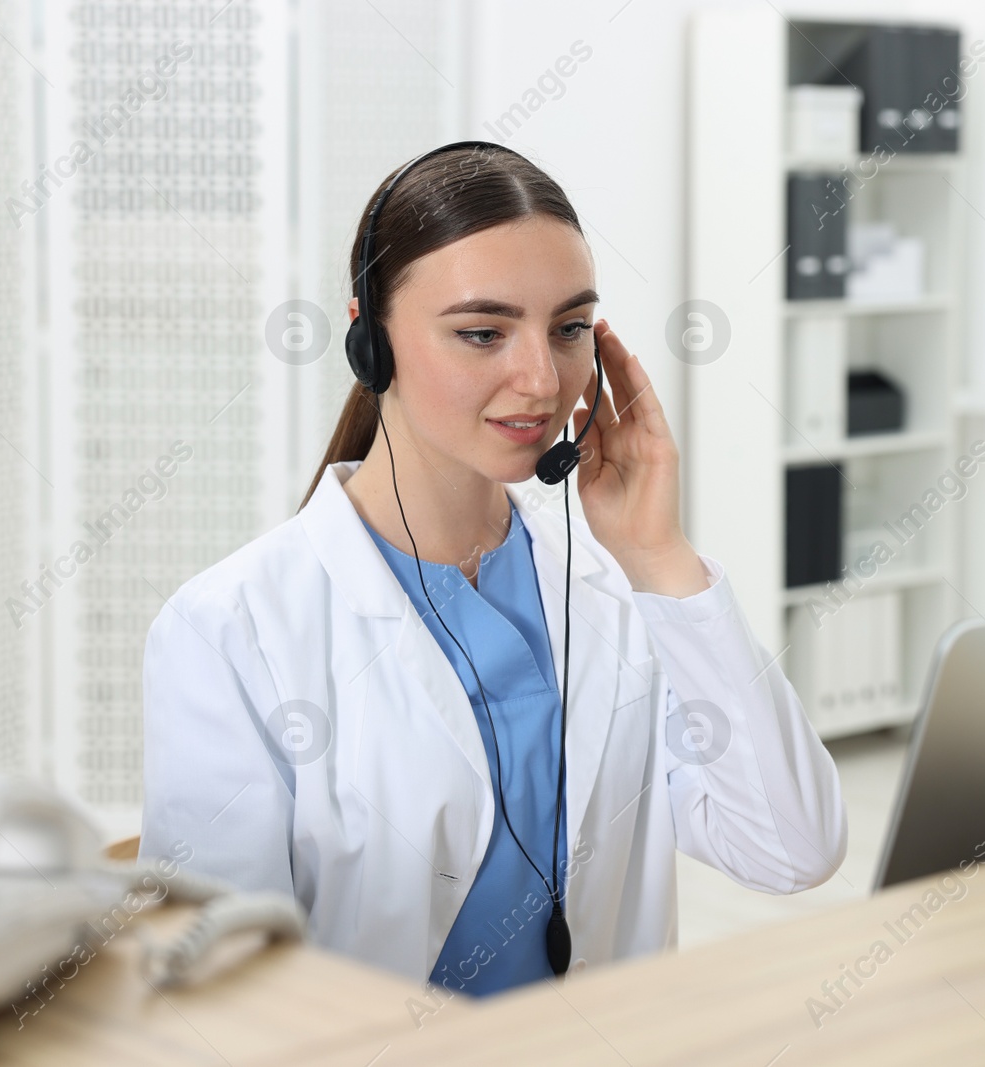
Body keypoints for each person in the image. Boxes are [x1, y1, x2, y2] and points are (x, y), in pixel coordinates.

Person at [139, 141, 846, 1001]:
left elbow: (792, 848)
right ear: (371, 341)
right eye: (482, 332)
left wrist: (661, 556)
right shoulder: (233, 627)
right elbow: (229, 994)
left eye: (570, 328)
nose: (541, 379)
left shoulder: (617, 586)